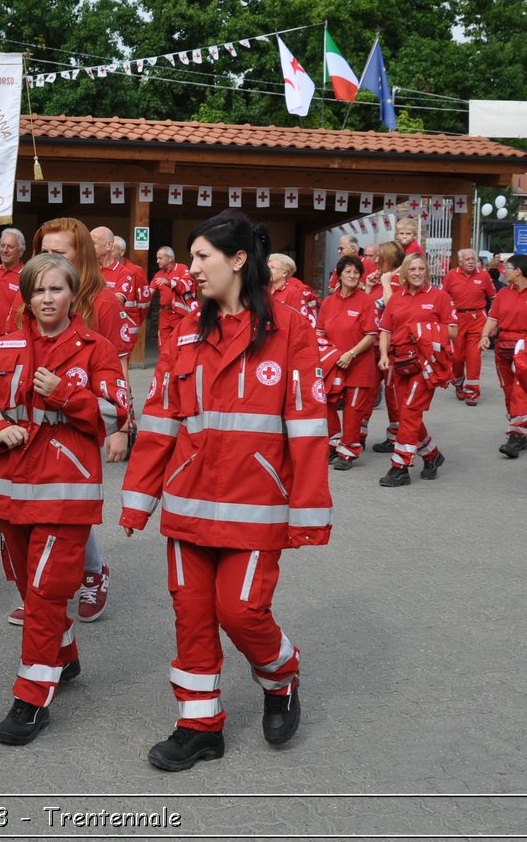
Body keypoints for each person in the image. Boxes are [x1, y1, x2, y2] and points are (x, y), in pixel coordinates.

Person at [120, 208, 331, 772]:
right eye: (190, 258)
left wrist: (308, 510)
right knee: (191, 614)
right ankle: (198, 726)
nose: (190, 268)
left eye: (201, 257)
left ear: (239, 260)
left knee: (240, 613)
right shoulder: (186, 329)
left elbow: (309, 427)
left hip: (256, 503)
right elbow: (162, 414)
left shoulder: (292, 329)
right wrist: (139, 497)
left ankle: (280, 676)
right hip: (189, 503)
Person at [0, 252, 128, 745]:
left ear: (73, 294)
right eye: (38, 290)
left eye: (57, 289)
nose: (47, 298)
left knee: (48, 591)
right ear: (26, 296)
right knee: (28, 587)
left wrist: (62, 396)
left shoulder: (95, 347)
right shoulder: (6, 343)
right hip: (13, 489)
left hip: (67, 492)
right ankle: (65, 653)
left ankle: (32, 696)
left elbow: (117, 414)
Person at [32, 217, 130, 623]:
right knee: (39, 505)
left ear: (82, 257)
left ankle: (92, 572)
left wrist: (122, 428)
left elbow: (120, 367)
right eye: (44, 251)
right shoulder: (32, 297)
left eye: (61, 252)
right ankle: (41, 587)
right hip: (36, 423)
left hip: (82, 422)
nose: (50, 259)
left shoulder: (104, 302)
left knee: (69, 506)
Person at [376, 252, 455, 486]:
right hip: (399, 362)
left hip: (426, 362)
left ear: (427, 272)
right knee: (406, 413)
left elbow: (453, 331)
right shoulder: (396, 298)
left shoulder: (439, 297)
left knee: (410, 411)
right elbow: (386, 330)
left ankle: (400, 466)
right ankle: (432, 455)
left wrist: (422, 329)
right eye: (412, 269)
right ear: (404, 274)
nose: (417, 273)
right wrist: (382, 355)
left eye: (421, 269)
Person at [481, 254, 527, 459]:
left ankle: (516, 437)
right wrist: (484, 335)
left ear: (518, 271)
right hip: (503, 348)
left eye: (507, 267)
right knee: (508, 391)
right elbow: (493, 318)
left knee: (520, 391)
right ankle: (520, 429)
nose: (504, 270)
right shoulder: (503, 294)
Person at [318, 255, 379, 471]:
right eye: (348, 272)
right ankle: (334, 443)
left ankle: (348, 451)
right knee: (326, 403)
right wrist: (327, 353)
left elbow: (370, 335)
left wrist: (351, 354)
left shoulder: (365, 301)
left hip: (358, 365)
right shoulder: (328, 302)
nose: (352, 276)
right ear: (339, 275)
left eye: (356, 273)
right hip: (333, 365)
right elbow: (319, 331)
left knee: (353, 410)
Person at [367, 241, 406, 454]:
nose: (374, 260)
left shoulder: (398, 279)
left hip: (392, 346)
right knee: (370, 392)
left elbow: (394, 309)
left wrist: (386, 283)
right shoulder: (383, 278)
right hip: (373, 344)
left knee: (393, 394)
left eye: (378, 257)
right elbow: (367, 307)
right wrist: (370, 286)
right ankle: (359, 436)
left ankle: (397, 437)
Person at [443, 247, 495, 405]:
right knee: (457, 357)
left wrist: (492, 319)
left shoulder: (483, 275)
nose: (472, 262)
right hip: (457, 319)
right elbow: (443, 298)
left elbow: (493, 297)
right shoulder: (451, 275)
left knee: (474, 356)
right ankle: (458, 382)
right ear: (460, 262)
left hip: (477, 318)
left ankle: (472, 391)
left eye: (473, 259)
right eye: (468, 259)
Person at [0, 228, 26, 342]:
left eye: (10, 247)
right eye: (2, 246)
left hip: (12, 338)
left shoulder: (26, 276)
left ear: (21, 251)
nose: (5, 250)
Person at [267, 253, 319, 325]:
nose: (267, 270)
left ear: (285, 273)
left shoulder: (292, 293)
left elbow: (300, 323)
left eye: (272, 267)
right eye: (266, 267)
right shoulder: (263, 290)